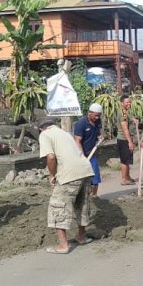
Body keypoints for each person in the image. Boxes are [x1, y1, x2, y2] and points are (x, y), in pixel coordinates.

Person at [38, 118, 95, 254]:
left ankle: (63, 246)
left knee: (57, 205)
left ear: (41, 128)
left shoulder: (45, 134)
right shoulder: (64, 133)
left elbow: (51, 157)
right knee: (82, 205)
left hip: (69, 174)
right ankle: (81, 237)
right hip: (85, 170)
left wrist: (52, 175)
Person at [74, 103, 103, 197]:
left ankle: (94, 197)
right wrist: (82, 157)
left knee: (95, 178)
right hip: (80, 155)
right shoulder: (81, 124)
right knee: (81, 179)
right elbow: (77, 141)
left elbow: (98, 133)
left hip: (92, 154)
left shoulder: (98, 122)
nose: (97, 118)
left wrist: (99, 137)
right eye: (96, 115)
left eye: (99, 115)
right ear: (89, 113)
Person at [116, 95, 139, 185]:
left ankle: (127, 177)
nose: (129, 103)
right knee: (125, 160)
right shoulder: (123, 113)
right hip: (123, 139)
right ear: (122, 103)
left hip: (125, 139)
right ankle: (124, 179)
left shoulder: (125, 112)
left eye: (130, 102)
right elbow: (125, 129)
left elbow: (129, 118)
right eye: (127, 102)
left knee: (128, 159)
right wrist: (130, 142)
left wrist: (133, 119)